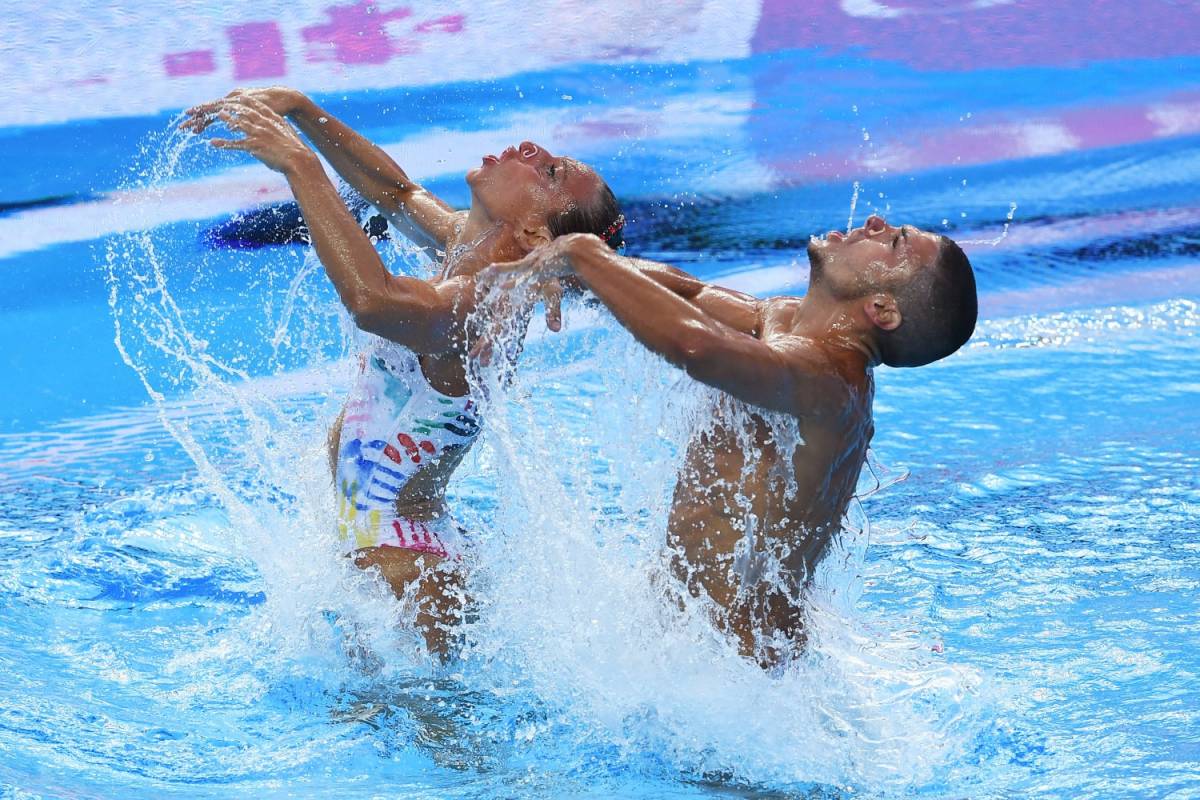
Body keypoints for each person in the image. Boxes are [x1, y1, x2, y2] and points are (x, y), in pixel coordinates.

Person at [181, 88, 626, 656]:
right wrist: (301, 108)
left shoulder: (477, 308)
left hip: (406, 576)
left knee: (426, 714)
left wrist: (300, 166)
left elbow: (373, 300)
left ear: (535, 234)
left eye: (551, 171)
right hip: (401, 553)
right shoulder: (469, 251)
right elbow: (395, 192)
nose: (530, 148)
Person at [482, 214, 977, 667]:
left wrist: (585, 254)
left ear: (882, 310)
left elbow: (698, 347)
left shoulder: (829, 382)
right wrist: (563, 266)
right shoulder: (785, 321)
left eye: (893, 243)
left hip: (734, 667)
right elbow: (690, 295)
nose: (875, 221)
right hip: (698, 650)